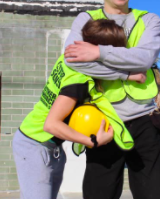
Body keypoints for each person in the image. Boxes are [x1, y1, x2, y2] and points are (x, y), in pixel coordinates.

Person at [64, 0, 160, 199]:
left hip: (145, 121)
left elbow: (144, 58)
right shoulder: (85, 19)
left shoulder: (149, 20)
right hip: (103, 121)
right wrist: (127, 73)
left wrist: (97, 52)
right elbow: (73, 61)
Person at [12, 19, 136, 199]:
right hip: (35, 145)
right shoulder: (78, 80)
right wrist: (92, 141)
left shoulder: (69, 59)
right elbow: (51, 125)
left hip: (46, 146)